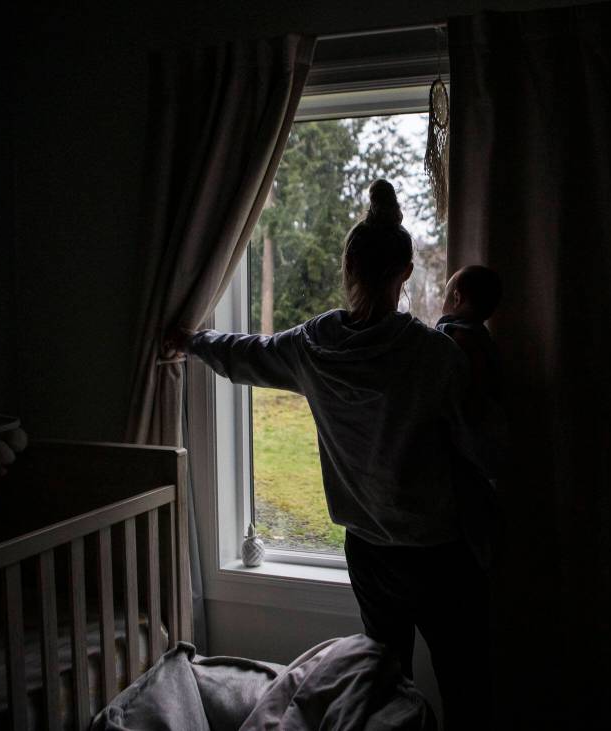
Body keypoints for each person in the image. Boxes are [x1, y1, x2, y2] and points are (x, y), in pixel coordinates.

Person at [165, 179, 496, 729]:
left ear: (349, 269)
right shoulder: (437, 356)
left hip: (369, 551)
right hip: (439, 553)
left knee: (378, 686)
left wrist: (191, 339)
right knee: (467, 684)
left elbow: (244, 354)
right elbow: (485, 449)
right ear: (405, 273)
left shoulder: (311, 347)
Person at [435, 265, 504, 573]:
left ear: (457, 297)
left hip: (464, 457)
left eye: (446, 295)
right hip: (480, 456)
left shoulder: (456, 341)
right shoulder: (485, 342)